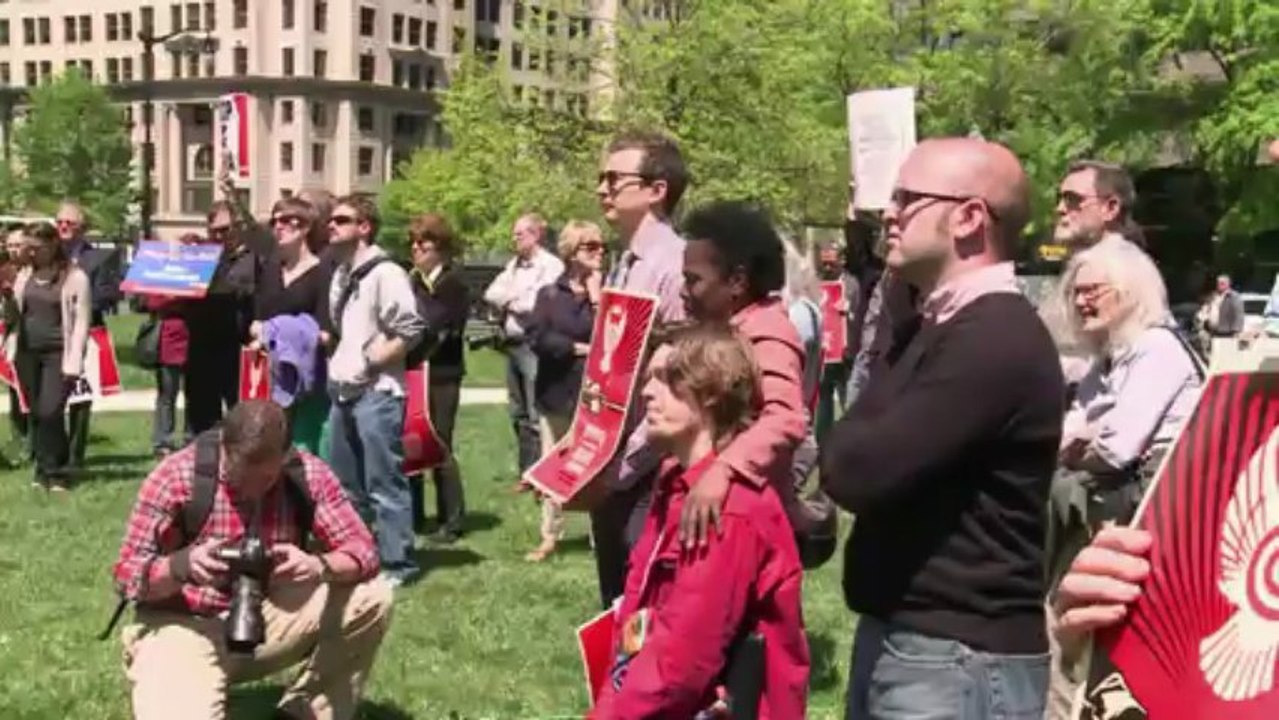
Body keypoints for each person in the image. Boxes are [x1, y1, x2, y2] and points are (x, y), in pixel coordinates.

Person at [820, 138, 1065, 719]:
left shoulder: (994, 339)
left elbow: (854, 470)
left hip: (959, 662)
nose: (889, 213)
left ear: (970, 217)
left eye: (908, 198)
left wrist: (890, 343)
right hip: (917, 647)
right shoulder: (943, 328)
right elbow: (858, 438)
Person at [112, 400, 392, 720]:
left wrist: (318, 566)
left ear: (284, 458)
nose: (251, 489)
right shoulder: (176, 477)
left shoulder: (305, 474)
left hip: (270, 616)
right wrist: (181, 565)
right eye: (239, 475)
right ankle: (172, 675)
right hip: (186, 624)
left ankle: (308, 710)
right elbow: (127, 575)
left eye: (266, 479)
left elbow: (364, 551)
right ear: (224, 448)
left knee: (371, 596)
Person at [591, 327, 808, 719]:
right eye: (647, 378)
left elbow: (684, 657)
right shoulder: (675, 485)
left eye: (666, 379)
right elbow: (635, 622)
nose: (646, 392)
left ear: (710, 392)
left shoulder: (727, 506)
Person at [1045, 235, 1204, 718]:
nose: (1081, 300)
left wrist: (1076, 443)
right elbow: (1072, 433)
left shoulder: (1156, 348)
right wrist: (1079, 439)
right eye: (1077, 291)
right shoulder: (1108, 359)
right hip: (1110, 509)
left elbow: (1115, 450)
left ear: (1130, 291)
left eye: (1095, 290)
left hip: (1150, 516)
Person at [667, 201, 808, 546]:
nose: (683, 291)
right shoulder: (725, 328)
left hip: (745, 520)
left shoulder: (768, 331)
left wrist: (724, 469)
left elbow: (785, 418)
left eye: (694, 280)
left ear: (737, 281)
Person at [590, 130, 689, 608]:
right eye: (601, 178)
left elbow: (680, 386)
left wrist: (624, 468)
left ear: (656, 190)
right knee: (615, 601)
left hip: (648, 468)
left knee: (642, 610)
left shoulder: (674, 267)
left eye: (614, 178)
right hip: (610, 463)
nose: (602, 188)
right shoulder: (623, 264)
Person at [325, 195, 426, 587]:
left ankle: (398, 563)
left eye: (342, 219)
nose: (332, 225)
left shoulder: (386, 273)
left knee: (384, 483)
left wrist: (373, 361)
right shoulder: (341, 273)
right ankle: (359, 557)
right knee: (346, 485)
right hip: (343, 391)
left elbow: (412, 328)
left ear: (364, 227)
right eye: (331, 219)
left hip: (377, 393)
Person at [525, 220, 605, 561]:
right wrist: (576, 349)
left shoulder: (607, 294)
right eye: (591, 247)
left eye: (602, 246)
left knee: (598, 464)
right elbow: (538, 337)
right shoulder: (549, 295)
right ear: (572, 252)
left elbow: (614, 335)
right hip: (557, 389)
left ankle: (599, 534)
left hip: (597, 394)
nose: (600, 253)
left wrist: (599, 296)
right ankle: (550, 535)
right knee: (554, 462)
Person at [3, 222, 91, 491]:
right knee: (37, 413)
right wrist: (7, 298)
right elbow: (13, 318)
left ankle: (59, 472)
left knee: (51, 410)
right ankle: (43, 469)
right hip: (27, 352)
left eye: (36, 248)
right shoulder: (23, 276)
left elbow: (81, 323)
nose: (30, 254)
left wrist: (75, 361)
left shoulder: (75, 278)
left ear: (53, 245)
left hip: (59, 354)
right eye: (28, 248)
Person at [481, 214, 564, 480]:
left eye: (519, 234)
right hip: (512, 344)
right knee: (517, 411)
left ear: (536, 235)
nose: (514, 239)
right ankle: (525, 472)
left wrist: (511, 301)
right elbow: (491, 293)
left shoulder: (551, 266)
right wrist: (515, 298)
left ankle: (543, 473)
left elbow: (536, 304)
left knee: (535, 411)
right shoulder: (514, 265)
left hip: (534, 345)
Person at [404, 213, 471, 545]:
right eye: (413, 244)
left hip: (443, 374)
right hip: (413, 371)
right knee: (411, 441)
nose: (416, 250)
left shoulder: (454, 283)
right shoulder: (410, 281)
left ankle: (452, 519)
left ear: (441, 248)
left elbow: (441, 325)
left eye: (424, 244)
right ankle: (413, 514)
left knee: (440, 442)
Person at [247, 198, 333, 454]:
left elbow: (326, 333)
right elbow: (256, 322)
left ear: (305, 227)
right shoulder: (271, 271)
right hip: (269, 373)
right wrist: (263, 332)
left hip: (309, 379)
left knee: (304, 450)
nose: (278, 227)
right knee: (268, 448)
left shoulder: (323, 272)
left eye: (286, 221)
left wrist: (281, 331)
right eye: (274, 221)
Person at [55, 202, 122, 470]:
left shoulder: (97, 259)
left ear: (81, 228)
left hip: (87, 334)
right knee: (51, 397)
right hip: (53, 334)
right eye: (59, 222)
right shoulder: (50, 256)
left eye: (68, 223)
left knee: (80, 399)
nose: (62, 227)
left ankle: (75, 455)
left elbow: (107, 294)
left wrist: (77, 307)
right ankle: (51, 451)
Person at [184, 202, 254, 434]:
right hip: (201, 347)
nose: (219, 236)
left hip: (237, 347)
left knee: (241, 418)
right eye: (213, 230)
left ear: (239, 227)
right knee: (202, 419)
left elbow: (242, 289)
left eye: (225, 229)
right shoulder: (200, 258)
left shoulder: (252, 259)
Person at [146, 233, 199, 457]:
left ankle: (192, 437)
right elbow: (153, 301)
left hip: (196, 337)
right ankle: (163, 440)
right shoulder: (163, 274)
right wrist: (179, 295)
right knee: (167, 392)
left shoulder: (201, 274)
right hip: (169, 339)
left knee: (194, 393)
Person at [1053, 160, 1145, 251]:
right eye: (1059, 199)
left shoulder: (1116, 263)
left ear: (1111, 208)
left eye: (1072, 199)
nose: (1059, 209)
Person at [3, 228, 31, 459]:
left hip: (35, 337)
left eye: (17, 244)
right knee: (14, 390)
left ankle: (34, 439)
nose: (13, 249)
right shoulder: (5, 272)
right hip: (11, 337)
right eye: (9, 245)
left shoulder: (38, 271)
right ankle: (19, 435)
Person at [1198, 272, 1244, 348]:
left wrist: (1236, 330)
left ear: (1228, 284)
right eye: (1218, 283)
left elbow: (1238, 315)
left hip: (1226, 331)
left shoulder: (1234, 297)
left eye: (1222, 283)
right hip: (1212, 330)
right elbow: (1205, 307)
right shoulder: (1213, 295)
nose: (1219, 285)